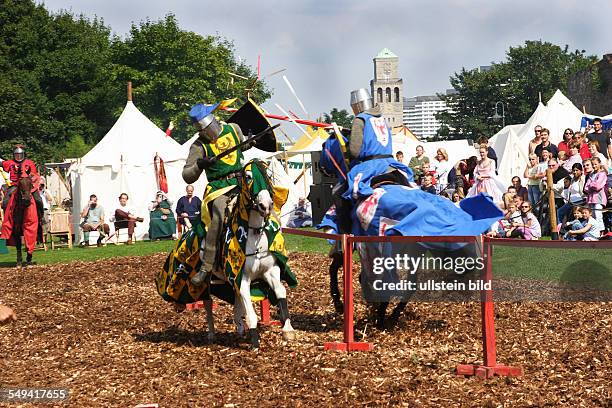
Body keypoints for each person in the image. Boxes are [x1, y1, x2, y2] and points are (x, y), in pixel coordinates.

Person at [183, 102, 247, 286]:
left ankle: (275, 251)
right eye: (204, 131)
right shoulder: (198, 146)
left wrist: (251, 141)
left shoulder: (233, 128)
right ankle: (207, 266)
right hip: (220, 188)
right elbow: (187, 175)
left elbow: (241, 148)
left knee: (265, 200)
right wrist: (199, 165)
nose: (209, 133)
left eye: (209, 128)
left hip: (242, 180)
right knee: (219, 214)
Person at [584, 157, 607, 236]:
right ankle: (594, 232)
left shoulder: (602, 174)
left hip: (599, 198)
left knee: (598, 214)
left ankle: (601, 232)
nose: (594, 166)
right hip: (591, 198)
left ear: (599, 164)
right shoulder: (591, 174)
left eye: (595, 164)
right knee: (592, 215)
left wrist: (591, 185)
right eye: (593, 164)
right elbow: (586, 188)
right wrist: (592, 185)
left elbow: (598, 186)